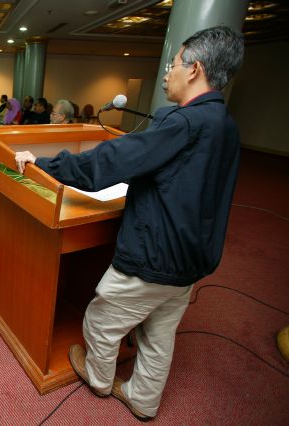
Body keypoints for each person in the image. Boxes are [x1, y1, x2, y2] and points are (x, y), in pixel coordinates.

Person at [14, 26, 244, 421]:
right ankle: (143, 398)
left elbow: (111, 161)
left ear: (195, 70)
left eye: (172, 65)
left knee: (101, 320)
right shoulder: (225, 123)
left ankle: (99, 379)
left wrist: (48, 164)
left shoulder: (184, 123)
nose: (167, 74)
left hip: (156, 256)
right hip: (192, 259)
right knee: (158, 332)